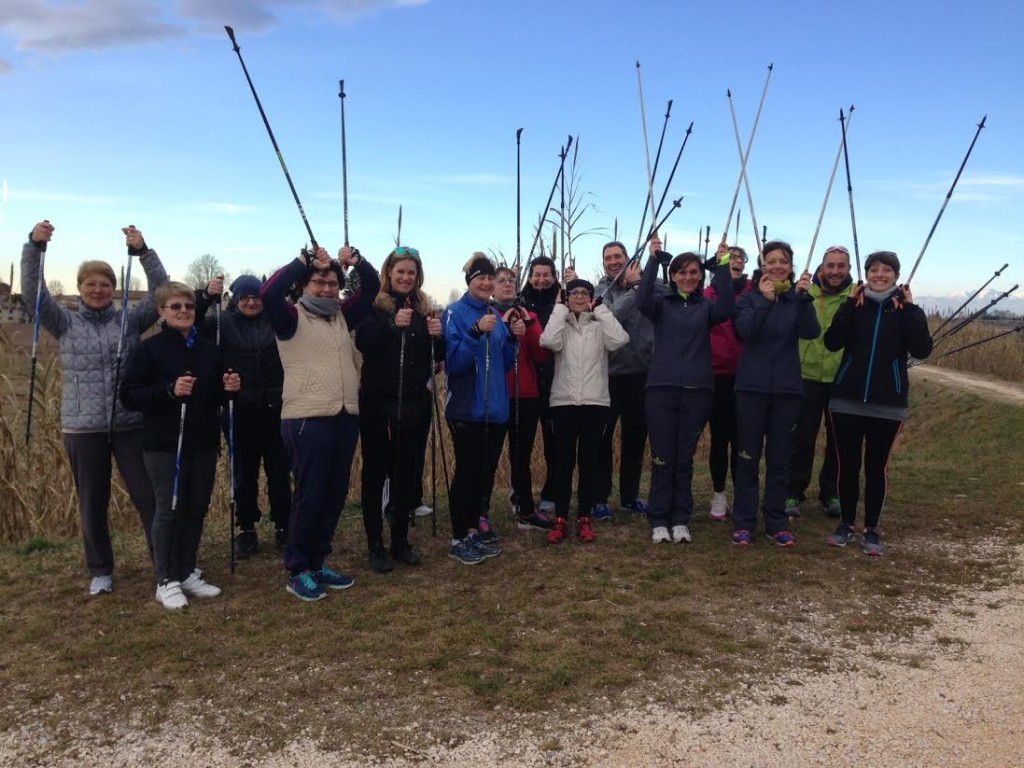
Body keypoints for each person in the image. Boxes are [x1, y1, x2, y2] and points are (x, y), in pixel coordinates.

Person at [20, 221, 165, 597]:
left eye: (105, 284)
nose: (98, 290)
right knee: (92, 502)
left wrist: (144, 251)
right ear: (81, 288)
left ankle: (165, 561)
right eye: (91, 284)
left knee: (148, 497)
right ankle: (100, 569)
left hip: (130, 423)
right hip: (84, 427)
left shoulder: (129, 320)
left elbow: (161, 292)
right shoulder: (64, 321)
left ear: (114, 288)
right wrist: (34, 247)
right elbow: (33, 292)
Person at [261, 245, 380, 601]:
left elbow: (371, 286)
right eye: (318, 282)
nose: (327, 288)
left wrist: (355, 260)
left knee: (334, 494)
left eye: (332, 283)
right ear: (303, 286)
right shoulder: (290, 318)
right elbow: (268, 293)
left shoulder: (342, 316)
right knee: (310, 495)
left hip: (344, 416)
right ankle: (297, 569)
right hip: (306, 418)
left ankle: (317, 562)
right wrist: (302, 261)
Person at [120, 282, 241, 610]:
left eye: (187, 305)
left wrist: (229, 387)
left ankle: (186, 569)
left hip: (202, 440)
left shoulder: (208, 349)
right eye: (175, 307)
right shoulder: (149, 349)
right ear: (161, 312)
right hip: (163, 443)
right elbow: (129, 395)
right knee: (169, 508)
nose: (184, 311)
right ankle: (165, 578)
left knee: (196, 506)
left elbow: (216, 395)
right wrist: (169, 391)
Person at [823, 251, 932, 556]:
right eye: (874, 270)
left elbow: (922, 349)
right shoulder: (854, 306)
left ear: (896, 276)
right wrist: (847, 306)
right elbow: (832, 342)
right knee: (847, 465)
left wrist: (909, 311)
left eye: (886, 270)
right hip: (846, 400)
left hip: (888, 403)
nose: (879, 275)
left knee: (876, 468)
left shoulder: (908, 310)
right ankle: (845, 524)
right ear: (866, 274)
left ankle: (871, 529)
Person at [354, 247, 444, 573]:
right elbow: (364, 342)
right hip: (378, 403)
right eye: (400, 272)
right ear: (389, 273)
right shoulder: (374, 306)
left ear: (417, 276)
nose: (405, 277)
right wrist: (391, 324)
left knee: (407, 474)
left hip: (414, 405)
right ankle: (375, 544)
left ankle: (400, 541)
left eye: (411, 272)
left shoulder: (424, 310)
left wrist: (439, 336)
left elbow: (435, 358)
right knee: (376, 473)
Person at [639, 239, 734, 544]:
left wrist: (721, 266)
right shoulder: (661, 304)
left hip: (697, 390)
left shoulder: (706, 307)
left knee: (684, 459)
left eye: (694, 272)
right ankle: (659, 519)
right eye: (681, 272)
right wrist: (653, 259)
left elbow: (727, 306)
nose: (688, 277)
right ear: (673, 275)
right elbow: (641, 300)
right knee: (662, 457)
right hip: (661, 390)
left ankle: (680, 518)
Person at [195, 274, 290, 557]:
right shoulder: (221, 323)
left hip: (276, 407)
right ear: (235, 300)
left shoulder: (275, 319)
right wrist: (204, 299)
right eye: (245, 297)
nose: (251, 302)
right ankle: (246, 528)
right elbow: (193, 328)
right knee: (243, 473)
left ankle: (284, 524)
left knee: (279, 471)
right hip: (239, 408)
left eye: (256, 297)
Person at [732, 241, 819, 546]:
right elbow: (746, 332)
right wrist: (766, 301)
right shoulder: (748, 299)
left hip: (786, 391)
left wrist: (805, 298)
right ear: (762, 264)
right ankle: (743, 521)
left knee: (780, 460)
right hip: (751, 390)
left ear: (791, 266)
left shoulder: (797, 299)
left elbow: (811, 332)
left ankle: (776, 521)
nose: (778, 266)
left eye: (783, 261)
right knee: (747, 459)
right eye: (772, 261)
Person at [443, 254, 522, 564]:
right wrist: (476, 332)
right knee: (466, 473)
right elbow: (454, 364)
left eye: (490, 278)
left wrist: (512, 341)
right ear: (470, 281)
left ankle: (474, 530)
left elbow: (501, 365)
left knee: (484, 474)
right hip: (466, 409)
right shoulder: (455, 313)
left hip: (496, 409)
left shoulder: (494, 314)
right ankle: (458, 536)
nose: (487, 283)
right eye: (481, 278)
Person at [539, 277, 629, 545]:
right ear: (567, 297)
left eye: (585, 293)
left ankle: (585, 517)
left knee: (589, 463)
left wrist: (600, 309)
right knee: (563, 464)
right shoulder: (561, 324)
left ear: (592, 297)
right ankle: (560, 518)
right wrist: (559, 309)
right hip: (563, 403)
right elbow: (548, 341)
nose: (579, 297)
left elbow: (620, 339)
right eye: (574, 293)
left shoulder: (599, 326)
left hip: (595, 403)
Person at [588, 240, 662, 520]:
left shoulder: (647, 285)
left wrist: (647, 277)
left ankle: (630, 496)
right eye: (608, 258)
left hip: (642, 375)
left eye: (618, 256)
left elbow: (671, 296)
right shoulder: (599, 291)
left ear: (628, 258)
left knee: (635, 439)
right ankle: (599, 498)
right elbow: (612, 318)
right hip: (608, 376)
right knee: (602, 441)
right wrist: (633, 289)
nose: (613, 261)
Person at [480, 265, 555, 531]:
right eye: (501, 281)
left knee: (521, 457)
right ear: (492, 287)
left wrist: (529, 326)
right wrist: (503, 328)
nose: (507, 284)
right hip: (497, 394)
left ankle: (525, 509)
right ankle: (480, 511)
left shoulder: (529, 314)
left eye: (511, 280)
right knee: (488, 456)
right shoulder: (486, 315)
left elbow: (542, 355)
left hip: (526, 394)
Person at [785, 245, 854, 518]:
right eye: (831, 265)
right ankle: (793, 491)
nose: (835, 271)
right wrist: (794, 294)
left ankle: (832, 492)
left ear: (848, 269)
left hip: (842, 377)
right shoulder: (804, 292)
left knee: (839, 439)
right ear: (821, 267)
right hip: (806, 375)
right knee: (801, 438)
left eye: (841, 266)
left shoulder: (856, 296)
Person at [704, 244, 753, 521]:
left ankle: (740, 494)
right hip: (717, 376)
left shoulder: (755, 292)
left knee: (743, 440)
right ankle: (719, 494)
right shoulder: (708, 295)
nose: (735, 262)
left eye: (739, 259)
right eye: (729, 258)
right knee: (720, 439)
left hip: (747, 377)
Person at [517, 256, 561, 513]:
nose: (541, 279)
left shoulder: (562, 303)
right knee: (522, 444)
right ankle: (519, 494)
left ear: (554, 277)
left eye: (547, 274)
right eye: (537, 274)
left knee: (553, 444)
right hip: (529, 383)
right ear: (530, 276)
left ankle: (552, 491)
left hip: (557, 381)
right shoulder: (521, 302)